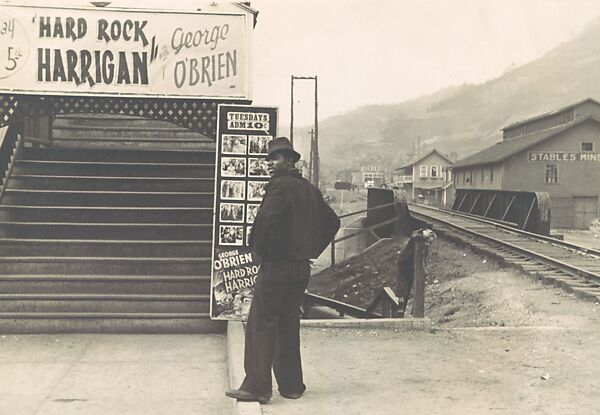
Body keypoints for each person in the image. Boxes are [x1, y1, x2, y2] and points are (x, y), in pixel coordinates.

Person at [226, 136, 340, 404]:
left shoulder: (279, 187)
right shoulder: (309, 189)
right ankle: (291, 386)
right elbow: (332, 222)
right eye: (268, 159)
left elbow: (266, 223)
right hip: (300, 269)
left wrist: (261, 252)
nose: (269, 164)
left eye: (275, 158)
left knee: (261, 324)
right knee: (289, 323)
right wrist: (311, 250)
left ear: (289, 160)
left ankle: (257, 387)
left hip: (276, 267)